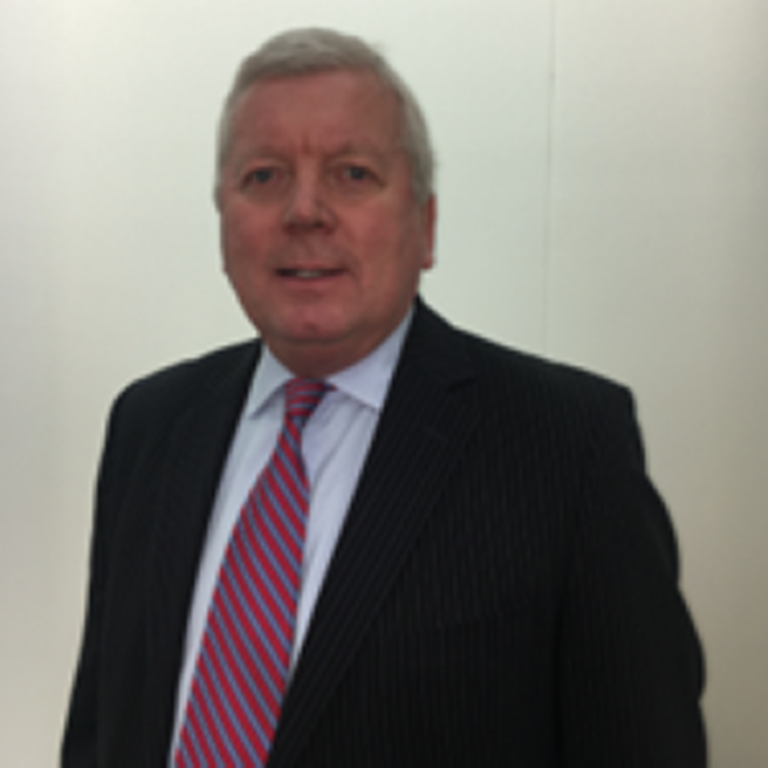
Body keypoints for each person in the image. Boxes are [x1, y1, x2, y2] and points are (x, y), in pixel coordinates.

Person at [61, 27, 707, 767]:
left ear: (424, 226)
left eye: (353, 173)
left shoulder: (568, 446)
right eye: (264, 176)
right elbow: (100, 730)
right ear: (223, 224)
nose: (304, 210)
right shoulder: (149, 424)